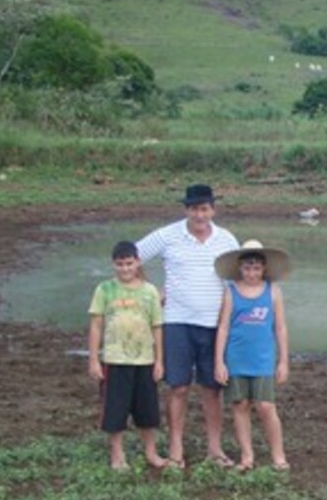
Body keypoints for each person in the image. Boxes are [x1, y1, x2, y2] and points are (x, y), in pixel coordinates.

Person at [136, 184, 239, 469]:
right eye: (194, 209)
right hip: (176, 322)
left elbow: (236, 282)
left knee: (212, 389)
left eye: (204, 209)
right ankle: (176, 448)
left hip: (213, 324)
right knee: (178, 387)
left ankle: (215, 449)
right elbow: (133, 256)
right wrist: (150, 291)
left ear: (213, 210)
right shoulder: (168, 235)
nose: (199, 215)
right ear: (186, 210)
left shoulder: (227, 240)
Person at [87, 240, 167, 470]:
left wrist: (159, 360)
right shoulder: (104, 290)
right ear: (113, 264)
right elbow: (95, 325)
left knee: (148, 410)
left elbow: (157, 327)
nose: (125, 269)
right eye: (120, 264)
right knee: (115, 409)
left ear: (138, 262)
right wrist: (94, 359)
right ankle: (117, 455)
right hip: (114, 359)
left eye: (129, 263)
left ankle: (151, 453)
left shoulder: (150, 291)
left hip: (144, 360)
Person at [213, 239, 291, 472]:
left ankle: (278, 455)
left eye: (256, 267)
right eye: (247, 267)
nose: (252, 272)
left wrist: (284, 361)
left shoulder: (273, 291)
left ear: (264, 268)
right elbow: (224, 327)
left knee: (266, 406)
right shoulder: (231, 292)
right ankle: (247, 456)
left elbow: (280, 328)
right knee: (240, 404)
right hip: (236, 359)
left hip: (263, 360)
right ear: (240, 268)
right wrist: (219, 361)